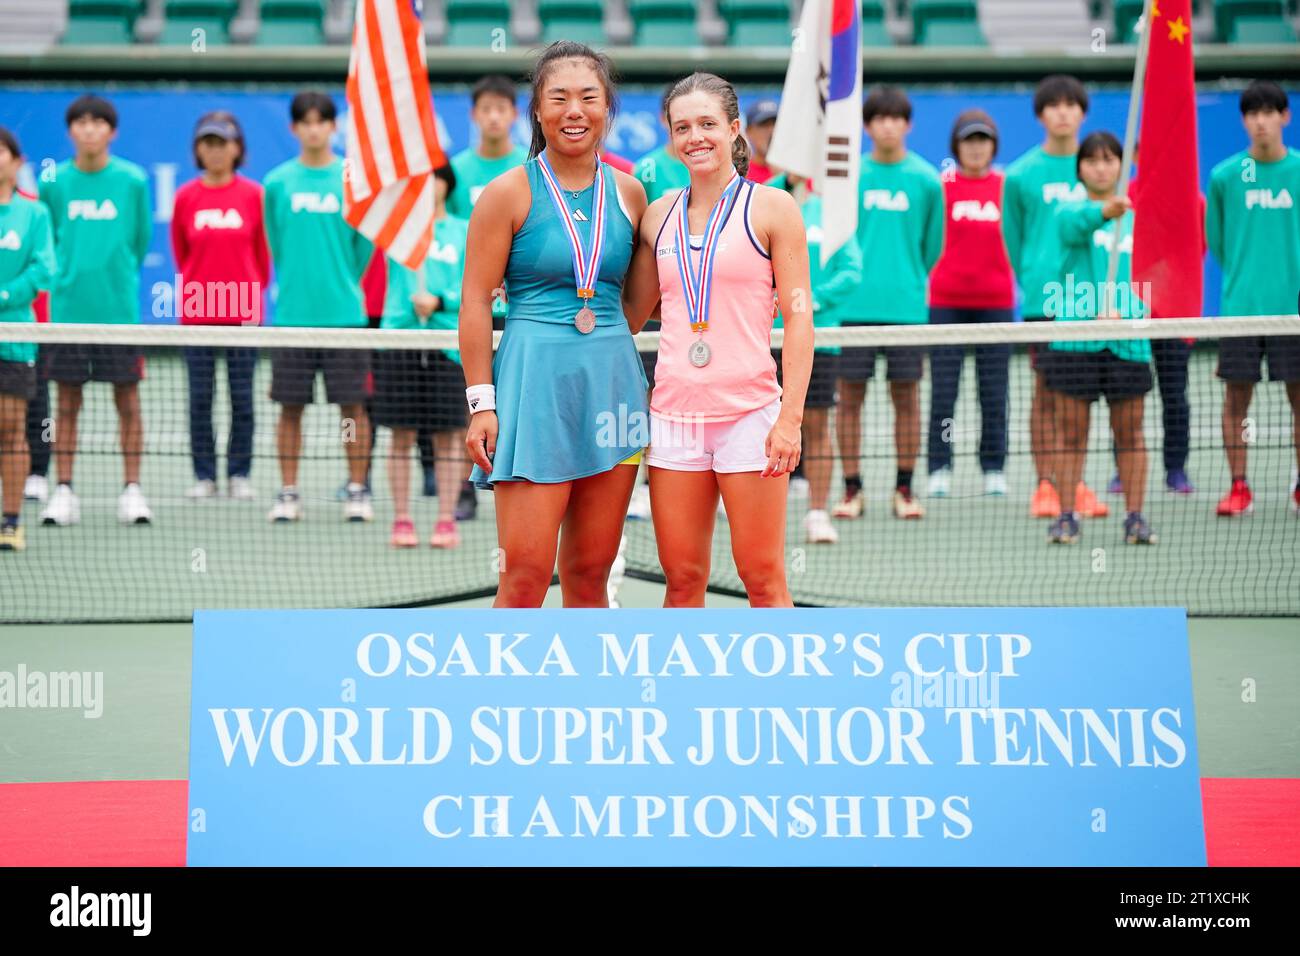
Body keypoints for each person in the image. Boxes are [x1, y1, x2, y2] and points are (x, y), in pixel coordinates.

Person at [461, 41, 650, 608]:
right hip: (531, 389)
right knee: (524, 576)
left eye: (589, 97)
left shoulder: (632, 193)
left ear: (607, 109)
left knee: (591, 577)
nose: (575, 110)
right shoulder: (506, 194)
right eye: (559, 98)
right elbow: (474, 302)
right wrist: (481, 403)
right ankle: (499, 697)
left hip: (614, 391)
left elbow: (634, 309)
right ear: (538, 112)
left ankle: (585, 696)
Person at [624, 71, 814, 605]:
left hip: (750, 417)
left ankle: (784, 693)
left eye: (707, 124)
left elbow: (799, 318)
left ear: (734, 129)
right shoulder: (656, 216)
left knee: (763, 579)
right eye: (682, 127)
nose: (695, 137)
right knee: (682, 581)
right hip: (675, 419)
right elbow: (631, 315)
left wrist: (789, 420)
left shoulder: (774, 207)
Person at [38, 94, 154, 527]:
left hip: (119, 314)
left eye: (98, 122)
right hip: (68, 313)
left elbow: (139, 241)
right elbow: (50, 240)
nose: (89, 129)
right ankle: (64, 490)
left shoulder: (133, 181)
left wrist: (116, 277)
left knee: (128, 400)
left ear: (112, 131)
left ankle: (132, 491)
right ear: (70, 131)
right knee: (67, 404)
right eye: (80, 122)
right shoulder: (55, 183)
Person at [262, 91, 374, 523]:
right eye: (305, 122)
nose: (313, 129)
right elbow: (277, 243)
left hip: (345, 316)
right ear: (294, 129)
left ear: (333, 126)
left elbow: (361, 248)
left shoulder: (352, 178)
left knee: (352, 409)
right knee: (290, 408)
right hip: (292, 318)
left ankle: (358, 489)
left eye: (321, 121)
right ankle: (289, 492)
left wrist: (341, 282)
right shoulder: (276, 183)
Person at [833, 86, 943, 521]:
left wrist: (908, 279)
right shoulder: (849, 177)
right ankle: (851, 490)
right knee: (849, 400)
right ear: (867, 126)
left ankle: (905, 488)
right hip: (852, 310)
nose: (888, 126)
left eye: (897, 118)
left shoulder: (927, 180)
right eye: (880, 118)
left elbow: (931, 247)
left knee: (907, 399)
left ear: (908, 125)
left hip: (906, 310)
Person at [1041, 131, 1156, 546]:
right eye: (1092, 160)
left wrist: (1132, 309)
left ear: (1122, 166)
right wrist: (1106, 211)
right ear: (1080, 169)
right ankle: (1067, 515)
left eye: (1110, 160)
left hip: (1128, 339)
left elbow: (1157, 269)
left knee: (1130, 433)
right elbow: (1074, 227)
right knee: (1071, 434)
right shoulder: (1066, 209)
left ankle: (1136, 516)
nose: (1101, 167)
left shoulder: (1140, 215)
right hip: (1075, 338)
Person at [1003, 74, 1107, 520]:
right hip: (1044, 304)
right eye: (1053, 105)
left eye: (1071, 105)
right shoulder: (1022, 173)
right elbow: (1014, 239)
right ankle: (1046, 484)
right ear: (1041, 114)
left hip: (1094, 301)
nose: (1063, 112)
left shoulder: (1103, 167)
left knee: (1080, 398)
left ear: (1083, 113)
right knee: (1046, 393)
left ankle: (1076, 483)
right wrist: (1036, 278)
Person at [1208, 80, 1300, 517]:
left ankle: (1299, 484)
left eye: (1269, 112)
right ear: (1244, 120)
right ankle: (1239, 486)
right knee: (1235, 401)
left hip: (1294, 313)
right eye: (1252, 113)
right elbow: (1219, 243)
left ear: (1286, 116)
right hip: (1241, 311)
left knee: (1299, 399)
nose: (1260, 121)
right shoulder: (1226, 177)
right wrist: (1247, 281)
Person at [171, 110, 267, 501]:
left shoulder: (254, 195)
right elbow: (182, 253)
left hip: (243, 315)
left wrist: (246, 294)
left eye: (222, 143)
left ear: (236, 149)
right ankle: (205, 475)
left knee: (242, 398)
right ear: (198, 150)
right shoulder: (185, 197)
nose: (215, 151)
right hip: (197, 314)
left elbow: (263, 256)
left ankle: (239, 473)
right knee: (200, 399)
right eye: (207, 143)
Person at [376, 163, 472, 549]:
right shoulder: (397, 233)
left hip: (448, 342)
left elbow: (475, 285)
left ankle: (446, 519)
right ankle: (402, 519)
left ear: (446, 184)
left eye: (433, 177)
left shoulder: (464, 231)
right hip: (401, 341)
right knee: (400, 436)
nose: (425, 186)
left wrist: (441, 300)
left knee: (448, 438)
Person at [447, 74, 527, 521]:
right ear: (475, 116)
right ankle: (466, 483)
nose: (494, 116)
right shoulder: (457, 171)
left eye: (503, 108)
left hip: (521, 311)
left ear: (514, 115)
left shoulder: (528, 167)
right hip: (478, 308)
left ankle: (513, 472)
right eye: (486, 109)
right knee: (475, 397)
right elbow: (452, 234)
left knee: (514, 396)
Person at [767, 170, 862, 543]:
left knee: (818, 426)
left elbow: (852, 270)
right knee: (757, 425)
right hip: (763, 337)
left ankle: (817, 514)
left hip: (817, 339)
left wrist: (809, 301)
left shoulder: (832, 211)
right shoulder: (765, 197)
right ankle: (758, 515)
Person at [926, 109, 1014, 498]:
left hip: (996, 304)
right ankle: (939, 466)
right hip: (945, 302)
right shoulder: (940, 186)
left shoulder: (1008, 186)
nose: (976, 148)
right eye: (969, 140)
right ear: (956, 146)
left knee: (994, 390)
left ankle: (993, 467)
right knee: (945, 389)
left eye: (983, 140)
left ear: (993, 145)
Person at [625, 83, 693, 520]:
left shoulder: (715, 168)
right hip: (654, 307)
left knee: (694, 395)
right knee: (649, 396)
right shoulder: (646, 169)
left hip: (702, 311)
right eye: (679, 120)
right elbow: (637, 235)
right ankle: (643, 484)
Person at [0, 128, 55, 551]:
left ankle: (11, 521)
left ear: (17, 162)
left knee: (11, 430)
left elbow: (43, 270)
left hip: (15, 338)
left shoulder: (34, 215)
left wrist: (4, 294)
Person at [743, 98, 780, 183]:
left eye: (776, 123)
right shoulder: (740, 175)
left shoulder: (798, 172)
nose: (772, 131)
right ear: (749, 131)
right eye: (764, 125)